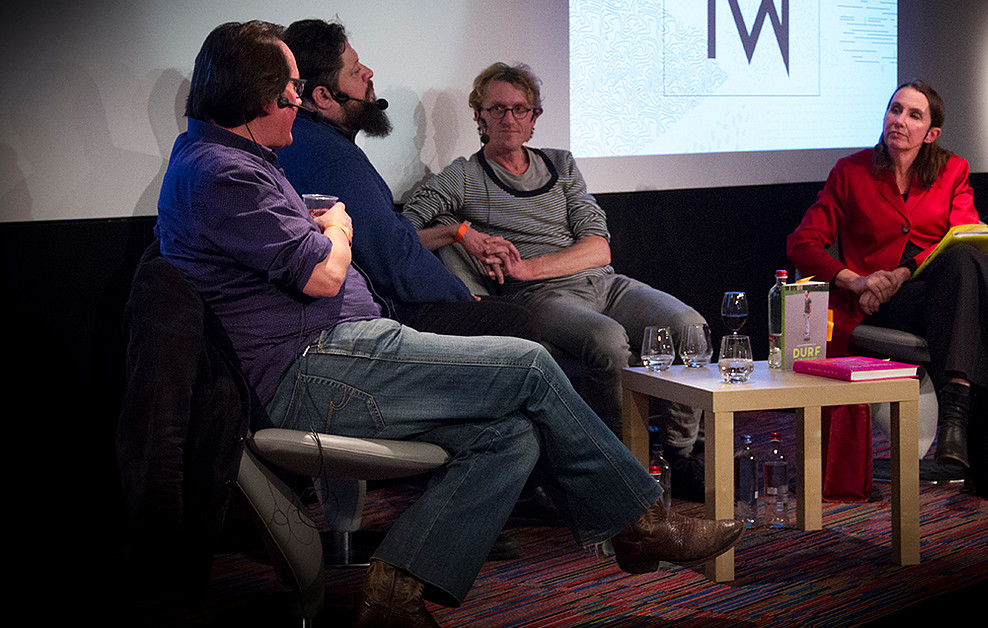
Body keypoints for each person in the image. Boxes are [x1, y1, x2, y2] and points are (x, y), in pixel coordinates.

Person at [156, 21, 742, 626]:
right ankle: (639, 523)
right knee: (531, 361)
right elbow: (323, 275)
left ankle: (394, 593)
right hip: (317, 366)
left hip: (341, 355)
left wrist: (322, 228)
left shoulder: (238, 161)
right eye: (289, 93)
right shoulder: (224, 171)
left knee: (511, 435)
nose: (298, 104)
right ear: (257, 98)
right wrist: (334, 231)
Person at [401, 62, 707, 501]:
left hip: (603, 283)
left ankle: (679, 454)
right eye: (498, 109)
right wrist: (458, 232)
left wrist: (527, 265)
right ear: (479, 118)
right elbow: (402, 233)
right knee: (607, 340)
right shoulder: (464, 176)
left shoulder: (561, 165)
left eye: (520, 109)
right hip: (541, 299)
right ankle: (619, 467)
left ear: (534, 118)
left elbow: (599, 248)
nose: (509, 119)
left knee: (689, 325)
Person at [785, 79, 988, 501]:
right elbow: (802, 243)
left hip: (942, 296)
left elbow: (967, 237)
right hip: (881, 304)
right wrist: (854, 279)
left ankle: (960, 417)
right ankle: (980, 445)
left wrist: (907, 268)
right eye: (895, 109)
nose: (899, 120)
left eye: (914, 115)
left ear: (931, 133)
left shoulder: (953, 171)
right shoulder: (852, 171)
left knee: (971, 266)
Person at [275, 19, 536, 343]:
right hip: (382, 317)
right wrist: (460, 295)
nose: (368, 73)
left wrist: (455, 232)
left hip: (350, 312)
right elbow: (391, 256)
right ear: (325, 96)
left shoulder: (301, 140)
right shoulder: (332, 157)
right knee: (516, 321)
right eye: (355, 71)